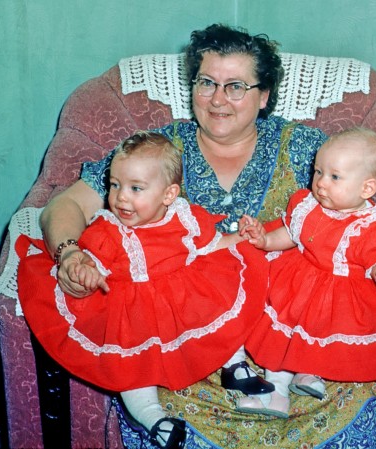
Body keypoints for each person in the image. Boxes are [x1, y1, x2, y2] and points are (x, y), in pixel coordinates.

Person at [38, 23, 376, 448]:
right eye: (207, 83)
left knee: (355, 413)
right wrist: (69, 253)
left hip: (298, 333)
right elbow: (65, 205)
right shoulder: (157, 152)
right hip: (190, 345)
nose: (218, 99)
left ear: (264, 96)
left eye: (236, 86)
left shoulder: (307, 149)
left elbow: (368, 216)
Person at [18, 131, 271, 449]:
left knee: (220, 308)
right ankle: (154, 418)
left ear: (169, 194)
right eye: (114, 185)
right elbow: (90, 265)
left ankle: (234, 365)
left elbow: (210, 245)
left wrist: (243, 241)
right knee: (130, 369)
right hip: (134, 310)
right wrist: (85, 273)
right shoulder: (107, 231)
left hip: (183, 296)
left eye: (136, 188)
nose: (121, 197)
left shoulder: (184, 216)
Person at [235, 128, 376, 418]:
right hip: (298, 276)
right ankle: (276, 393)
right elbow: (293, 234)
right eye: (318, 172)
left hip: (337, 294)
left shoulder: (369, 228)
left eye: (334, 177)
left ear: (366, 189)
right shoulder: (306, 205)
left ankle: (309, 372)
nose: (320, 183)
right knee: (280, 328)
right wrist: (265, 240)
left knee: (318, 330)